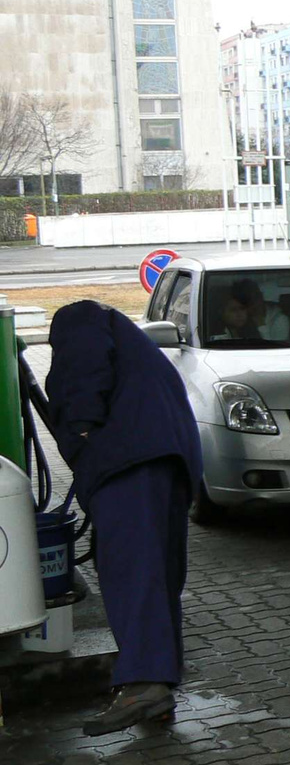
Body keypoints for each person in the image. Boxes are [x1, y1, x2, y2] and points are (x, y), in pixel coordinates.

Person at [45, 301, 203, 737]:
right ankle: (157, 687)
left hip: (128, 460)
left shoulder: (76, 316)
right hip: (165, 458)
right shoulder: (126, 338)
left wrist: (80, 433)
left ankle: (144, 684)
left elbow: (84, 374)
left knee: (131, 571)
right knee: (155, 574)